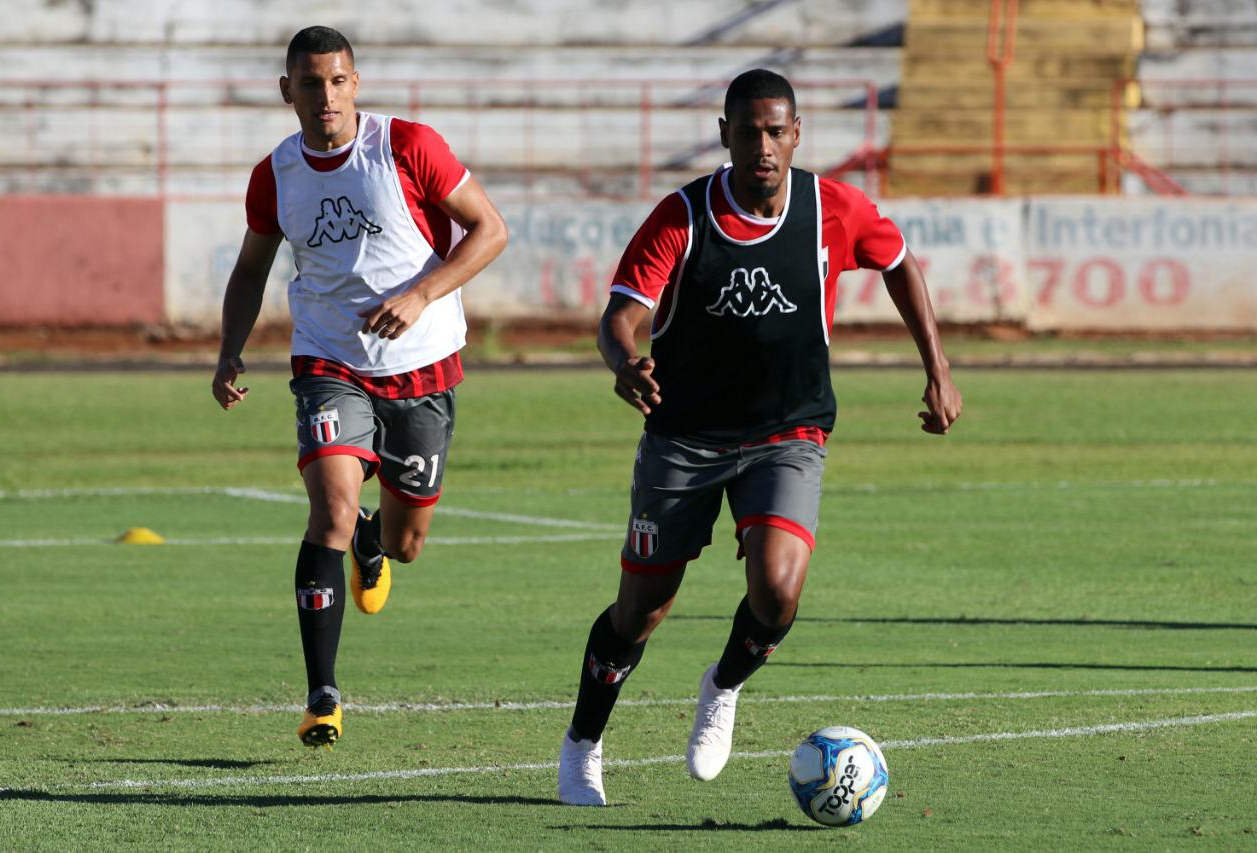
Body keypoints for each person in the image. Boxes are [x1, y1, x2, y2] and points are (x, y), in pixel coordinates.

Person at [556, 69, 962, 805]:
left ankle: (722, 686)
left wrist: (938, 368)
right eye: (748, 132)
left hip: (788, 432)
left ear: (797, 134)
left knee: (777, 591)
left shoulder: (830, 207)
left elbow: (899, 262)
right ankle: (584, 741)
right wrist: (624, 362)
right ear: (725, 135)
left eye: (777, 131)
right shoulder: (682, 217)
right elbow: (619, 316)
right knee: (640, 612)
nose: (763, 146)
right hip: (684, 438)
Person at [210, 26, 507, 748]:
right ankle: (323, 693)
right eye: (310, 84)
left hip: (424, 365)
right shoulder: (274, 174)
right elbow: (251, 270)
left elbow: (490, 230)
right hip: (329, 361)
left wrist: (422, 295)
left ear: (356, 82)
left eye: (337, 81)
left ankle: (375, 542)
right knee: (330, 512)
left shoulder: (408, 146)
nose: (326, 97)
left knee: (406, 545)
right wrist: (229, 350)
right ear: (288, 91)